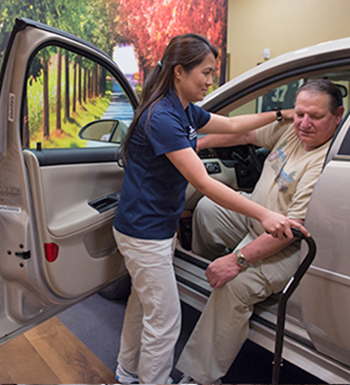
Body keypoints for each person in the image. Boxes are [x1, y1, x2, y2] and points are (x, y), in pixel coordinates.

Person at [112, 33, 307, 385]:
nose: (209, 80)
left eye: (212, 72)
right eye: (205, 72)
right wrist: (262, 214)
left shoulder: (184, 109)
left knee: (143, 305)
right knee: (166, 318)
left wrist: (283, 113)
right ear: (179, 72)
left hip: (150, 226)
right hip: (144, 233)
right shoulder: (163, 117)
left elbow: (232, 125)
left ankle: (126, 372)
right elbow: (202, 182)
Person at [176, 78, 344, 384]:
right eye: (300, 113)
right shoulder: (294, 131)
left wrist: (237, 260)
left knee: (234, 287)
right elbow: (249, 134)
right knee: (208, 209)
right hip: (257, 220)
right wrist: (199, 143)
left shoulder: (323, 162)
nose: (304, 124)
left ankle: (200, 376)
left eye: (315, 117)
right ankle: (205, 276)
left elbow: (292, 232)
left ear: (338, 115)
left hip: (287, 246)